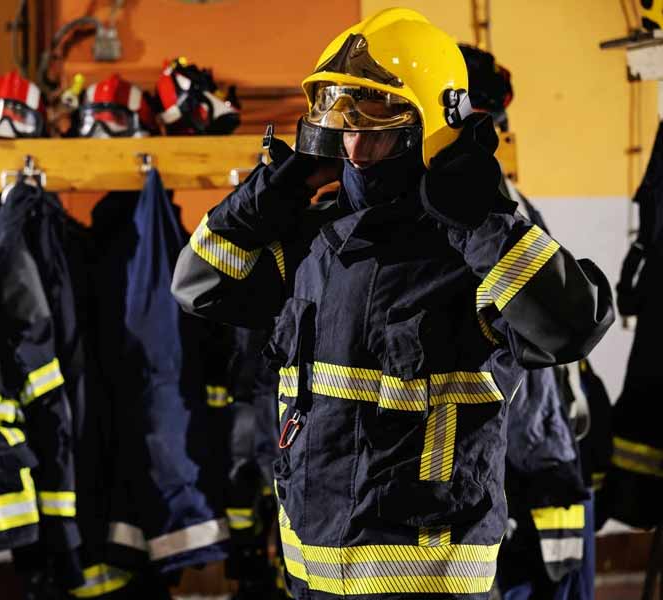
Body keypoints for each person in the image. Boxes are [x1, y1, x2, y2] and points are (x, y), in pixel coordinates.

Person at [171, 8, 614, 599]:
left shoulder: (477, 250)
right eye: (340, 118)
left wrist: (484, 221)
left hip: (429, 588)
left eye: (376, 119)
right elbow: (199, 284)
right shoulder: (314, 240)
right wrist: (270, 196)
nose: (353, 145)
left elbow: (572, 327)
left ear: (429, 127)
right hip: (310, 580)